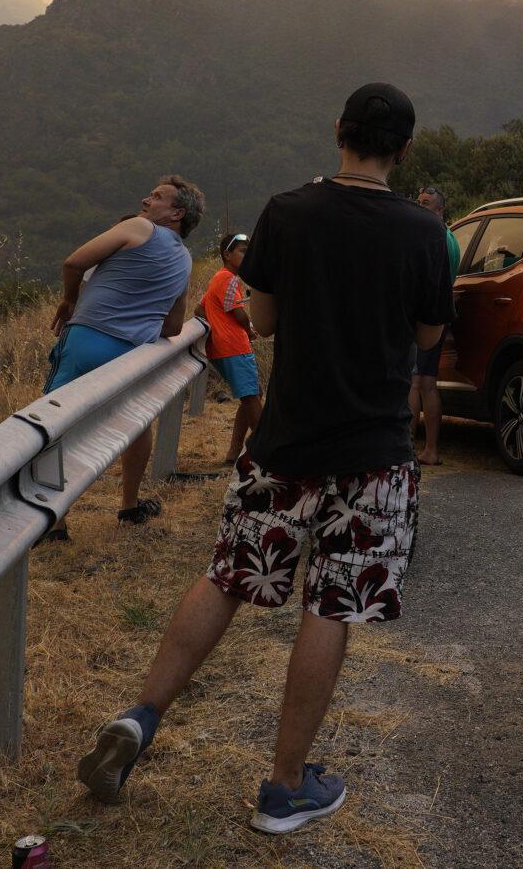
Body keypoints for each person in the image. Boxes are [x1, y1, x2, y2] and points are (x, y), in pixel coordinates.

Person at [76, 82, 453, 836]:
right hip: (375, 453)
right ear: (406, 150)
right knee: (331, 605)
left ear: (338, 130)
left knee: (227, 576)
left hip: (284, 443)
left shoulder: (286, 212)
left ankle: (142, 716)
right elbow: (426, 337)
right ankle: (284, 788)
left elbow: (266, 320)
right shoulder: (424, 232)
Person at [44, 176, 202, 535]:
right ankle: (129, 506)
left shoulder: (139, 227)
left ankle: (57, 523)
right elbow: (173, 326)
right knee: (136, 423)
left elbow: (74, 263)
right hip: (133, 356)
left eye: (157, 197)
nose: (146, 200)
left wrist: (69, 301)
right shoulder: (185, 260)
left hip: (88, 339)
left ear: (176, 213)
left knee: (56, 423)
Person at [196, 231, 262, 464]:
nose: (247, 256)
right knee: (252, 398)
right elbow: (239, 314)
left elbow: (200, 309)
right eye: (243, 252)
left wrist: (217, 324)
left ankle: (234, 452)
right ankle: (265, 453)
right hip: (234, 346)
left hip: (222, 346)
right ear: (227, 254)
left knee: (251, 395)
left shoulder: (218, 278)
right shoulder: (229, 279)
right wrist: (249, 329)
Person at [407, 186, 461, 465]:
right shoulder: (451, 238)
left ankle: (416, 449)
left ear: (439, 210)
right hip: (440, 315)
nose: (419, 206)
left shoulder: (435, 237)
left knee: (418, 382)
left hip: (427, 316)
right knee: (426, 381)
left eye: (426, 203)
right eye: (418, 202)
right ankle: (428, 449)